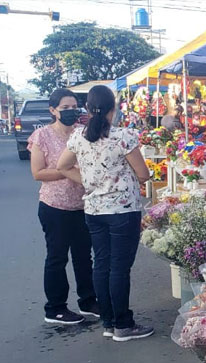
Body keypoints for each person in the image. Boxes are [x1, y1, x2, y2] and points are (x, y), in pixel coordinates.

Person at [57, 85, 153, 342]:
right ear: (114, 108)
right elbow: (143, 174)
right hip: (123, 210)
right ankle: (124, 324)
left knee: (101, 264)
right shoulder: (123, 136)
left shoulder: (78, 136)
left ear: (88, 108)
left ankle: (109, 323)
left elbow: (62, 166)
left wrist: (89, 182)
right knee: (119, 268)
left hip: (94, 210)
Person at [29, 88, 99, 325]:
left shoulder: (83, 133)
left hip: (83, 205)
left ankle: (88, 300)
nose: (71, 112)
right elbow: (38, 173)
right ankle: (55, 308)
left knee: (84, 256)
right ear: (53, 110)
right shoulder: (42, 136)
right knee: (57, 257)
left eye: (74, 107)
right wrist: (67, 170)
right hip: (54, 206)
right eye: (65, 108)